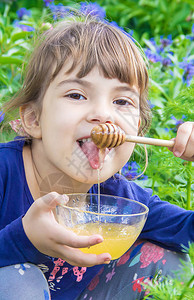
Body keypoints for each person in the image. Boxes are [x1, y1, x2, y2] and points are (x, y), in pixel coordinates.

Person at [0, 14, 193, 300]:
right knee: (18, 280)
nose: (103, 115)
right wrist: (22, 239)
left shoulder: (124, 201)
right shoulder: (5, 172)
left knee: (175, 263)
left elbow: (188, 234)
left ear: (138, 127)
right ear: (33, 119)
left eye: (122, 101)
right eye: (77, 95)